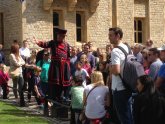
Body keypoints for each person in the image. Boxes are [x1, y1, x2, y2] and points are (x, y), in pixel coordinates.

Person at [33, 28, 70, 101]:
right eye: (58, 36)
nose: (58, 37)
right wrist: (38, 42)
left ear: (63, 37)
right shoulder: (53, 43)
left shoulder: (67, 45)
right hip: (55, 67)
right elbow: (45, 44)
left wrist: (67, 67)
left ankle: (61, 96)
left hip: (63, 67)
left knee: (63, 83)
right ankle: (54, 96)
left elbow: (68, 56)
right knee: (55, 83)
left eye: (60, 36)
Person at [109, 27, 133, 124]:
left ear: (118, 36)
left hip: (119, 88)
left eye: (111, 35)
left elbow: (116, 70)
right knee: (129, 115)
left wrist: (109, 67)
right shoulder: (127, 48)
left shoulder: (115, 51)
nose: (109, 38)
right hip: (127, 85)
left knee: (123, 118)